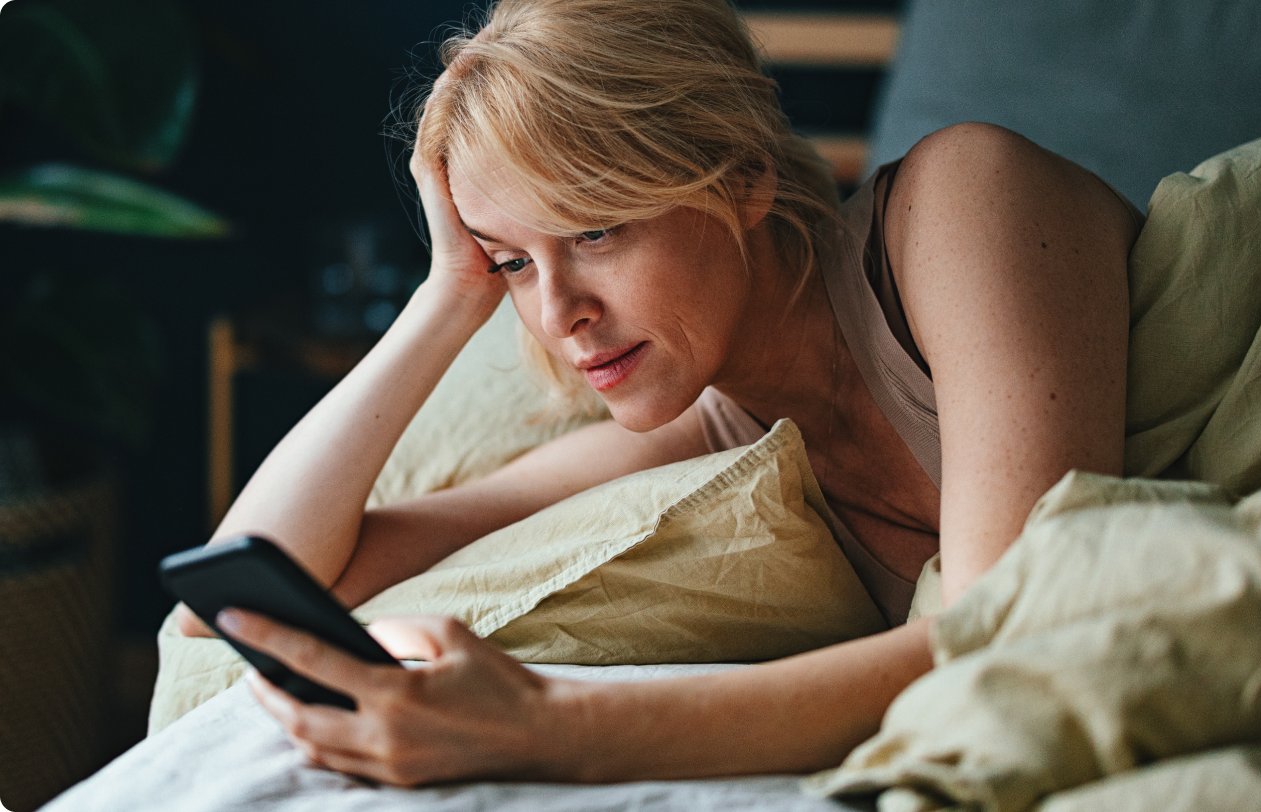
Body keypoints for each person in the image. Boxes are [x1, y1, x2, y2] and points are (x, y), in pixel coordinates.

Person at [176, 0, 1140, 786]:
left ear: (745, 174)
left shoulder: (963, 196)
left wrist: (545, 725)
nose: (558, 314)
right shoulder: (707, 440)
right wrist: (447, 296)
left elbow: (1002, 637)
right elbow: (251, 594)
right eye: (515, 261)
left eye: (595, 231)